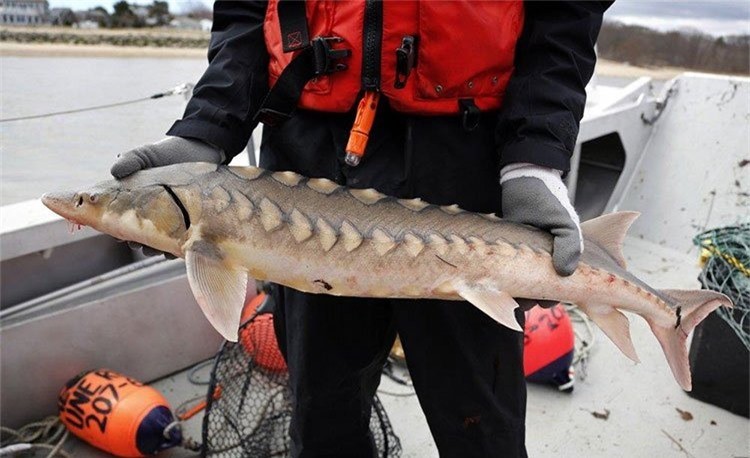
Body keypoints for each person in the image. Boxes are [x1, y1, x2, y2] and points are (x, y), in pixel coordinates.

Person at [111, 1, 611, 456]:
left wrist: (534, 160)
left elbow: (566, 15)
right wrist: (206, 127)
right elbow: (245, 11)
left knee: (483, 426)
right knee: (322, 419)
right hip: (303, 171)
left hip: (469, 157)